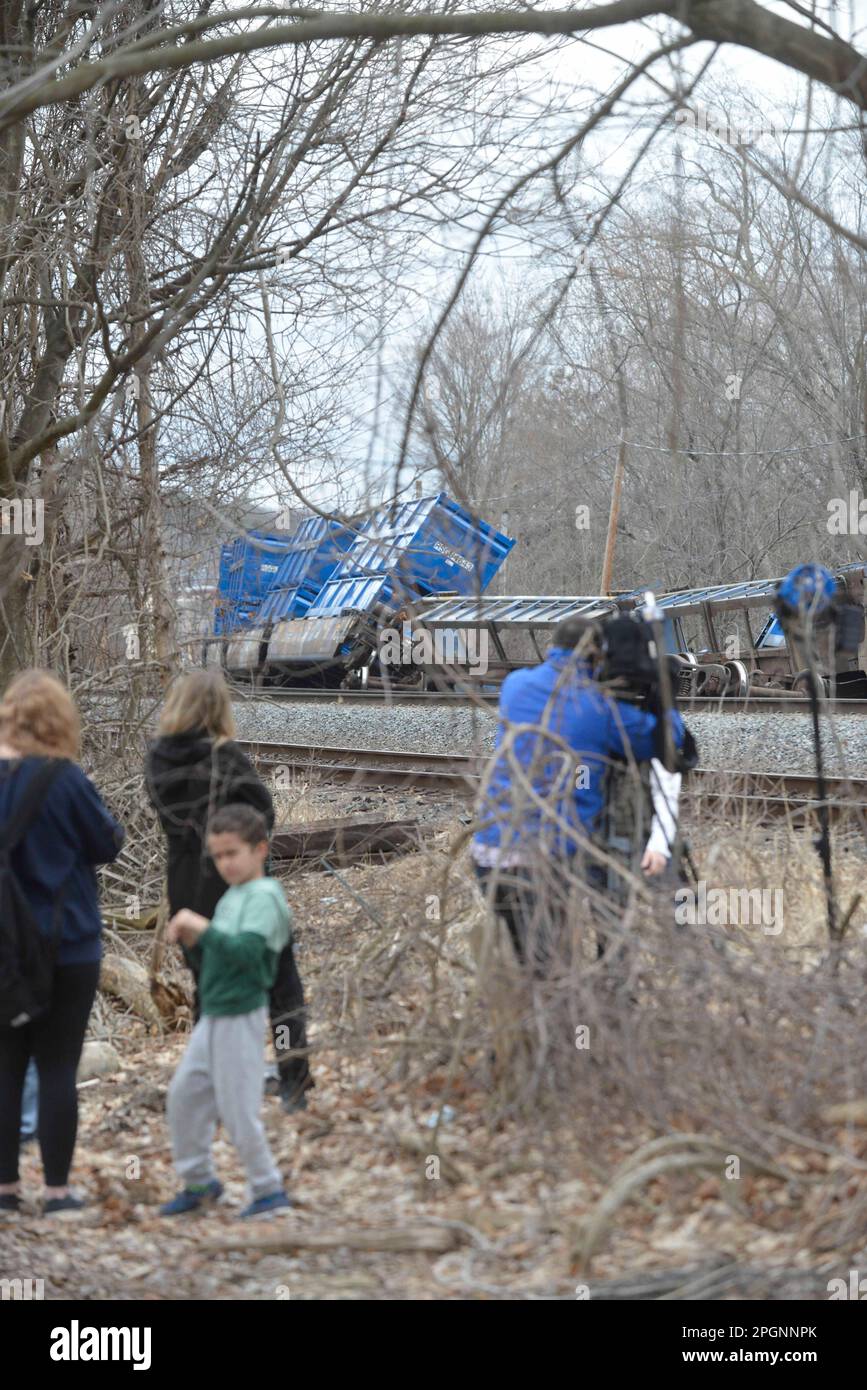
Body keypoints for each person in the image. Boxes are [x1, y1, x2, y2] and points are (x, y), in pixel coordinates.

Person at [472, 614, 686, 974]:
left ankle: (532, 1011)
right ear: (595, 656)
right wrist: (663, 693)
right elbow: (672, 742)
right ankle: (569, 1013)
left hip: (488, 853)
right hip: (541, 863)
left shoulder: (514, 685)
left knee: (531, 961)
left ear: (553, 647)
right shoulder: (601, 711)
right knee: (550, 973)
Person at [145, 670, 313, 1112]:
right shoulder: (227, 757)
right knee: (281, 987)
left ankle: (215, 1084)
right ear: (219, 710)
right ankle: (293, 1080)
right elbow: (264, 815)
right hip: (241, 887)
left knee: (209, 987)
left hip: (186, 887)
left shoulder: (157, 762)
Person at [0, 670, 124, 1214]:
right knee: (57, 1068)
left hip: (5, 953)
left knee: (5, 1068)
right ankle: (56, 1192)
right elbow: (106, 844)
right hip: (69, 945)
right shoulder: (65, 778)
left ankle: (4, 1191)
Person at [161, 804, 292, 1218]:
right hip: (215, 1013)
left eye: (232, 853)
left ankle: (268, 1190)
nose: (225, 863)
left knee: (238, 1109)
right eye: (217, 856)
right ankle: (199, 1183)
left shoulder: (265, 897)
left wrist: (202, 928)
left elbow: (249, 958)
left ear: (260, 850)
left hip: (241, 1015)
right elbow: (217, 956)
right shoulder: (234, 897)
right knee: (185, 1096)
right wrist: (194, 940)